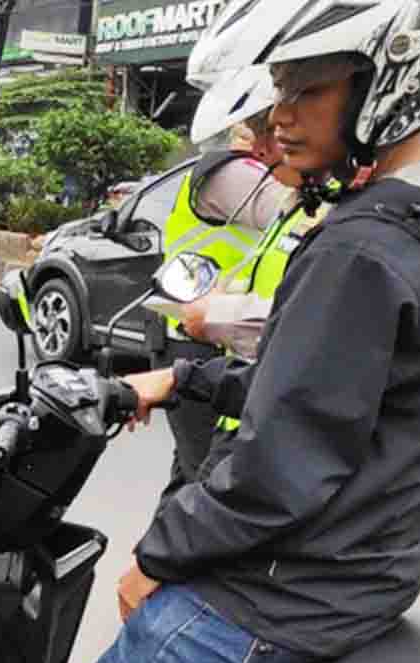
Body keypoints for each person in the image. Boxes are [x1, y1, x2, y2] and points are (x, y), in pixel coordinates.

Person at [94, 1, 420, 663]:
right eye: (281, 86)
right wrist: (181, 379)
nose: (280, 114)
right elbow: (319, 389)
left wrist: (154, 555)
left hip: (289, 589)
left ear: (390, 82)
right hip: (367, 568)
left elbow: (276, 465)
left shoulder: (361, 252)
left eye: (307, 88)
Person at [151, 104, 294, 492]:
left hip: (217, 337)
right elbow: (294, 214)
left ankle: (155, 551)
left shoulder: (242, 171)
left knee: (188, 476)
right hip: (199, 340)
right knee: (207, 484)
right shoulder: (232, 174)